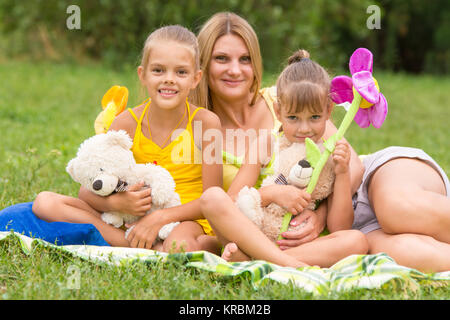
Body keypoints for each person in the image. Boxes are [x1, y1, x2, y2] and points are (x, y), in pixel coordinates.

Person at [32, 25, 223, 254]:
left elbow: (211, 200)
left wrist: (160, 218)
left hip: (185, 221)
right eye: (158, 70)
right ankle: (138, 244)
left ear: (195, 78)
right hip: (129, 219)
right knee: (45, 202)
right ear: (142, 75)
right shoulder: (126, 123)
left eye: (181, 72)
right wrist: (115, 203)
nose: (169, 80)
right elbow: (88, 190)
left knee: (179, 245)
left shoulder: (206, 123)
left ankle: (148, 246)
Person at [190, 12, 365, 253]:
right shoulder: (199, 127)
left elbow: (354, 167)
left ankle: (263, 260)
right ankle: (274, 259)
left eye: (245, 59)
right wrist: (272, 194)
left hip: (305, 234)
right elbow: (222, 205)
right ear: (202, 65)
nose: (235, 70)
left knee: (355, 241)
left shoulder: (289, 96)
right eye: (221, 58)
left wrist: (320, 216)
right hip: (253, 229)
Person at [352, 147, 450, 272]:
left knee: (397, 206)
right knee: (411, 253)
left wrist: (322, 213)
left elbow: (353, 167)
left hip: (368, 178)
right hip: (358, 231)